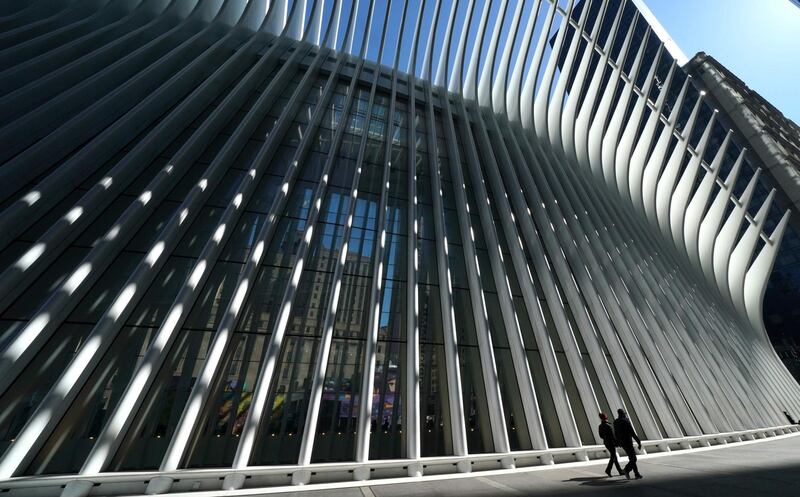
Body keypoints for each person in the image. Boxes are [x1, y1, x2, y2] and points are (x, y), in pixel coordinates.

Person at [613, 409, 642, 479]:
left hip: (622, 443)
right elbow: (632, 433)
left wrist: (617, 442)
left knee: (631, 458)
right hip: (628, 442)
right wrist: (639, 442)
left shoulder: (615, 422)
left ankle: (637, 474)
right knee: (634, 458)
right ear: (623, 414)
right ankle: (626, 469)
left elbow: (616, 434)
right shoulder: (626, 421)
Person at [598, 413, 623, 477]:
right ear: (606, 418)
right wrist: (617, 443)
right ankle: (608, 470)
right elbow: (613, 436)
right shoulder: (609, 426)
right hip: (611, 443)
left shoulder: (600, 426)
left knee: (614, 456)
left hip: (606, 443)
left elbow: (601, 436)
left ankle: (619, 471)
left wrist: (606, 437)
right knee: (613, 456)